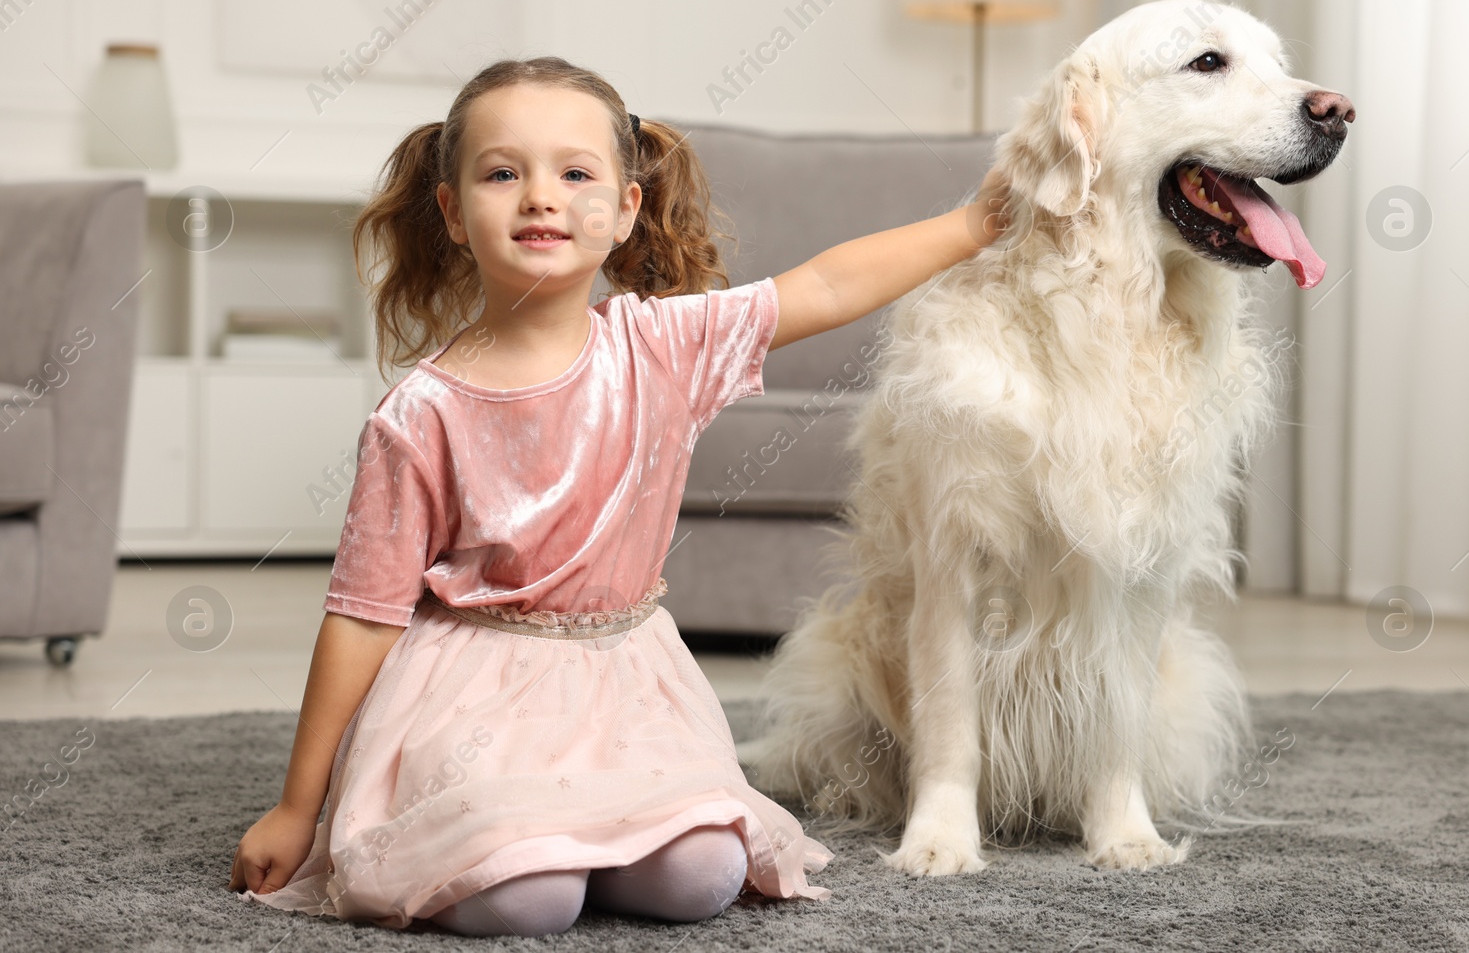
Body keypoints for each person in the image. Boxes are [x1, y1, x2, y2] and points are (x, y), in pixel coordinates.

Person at [228, 55, 1009, 938]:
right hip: (476, 695)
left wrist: (975, 223)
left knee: (702, 876)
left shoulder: (659, 346)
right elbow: (363, 614)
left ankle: (589, 840)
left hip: (625, 682)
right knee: (529, 899)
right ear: (451, 211)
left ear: (625, 208)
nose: (540, 197)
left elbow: (824, 286)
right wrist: (299, 807)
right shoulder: (421, 413)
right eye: (500, 173)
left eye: (574, 173)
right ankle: (545, 851)